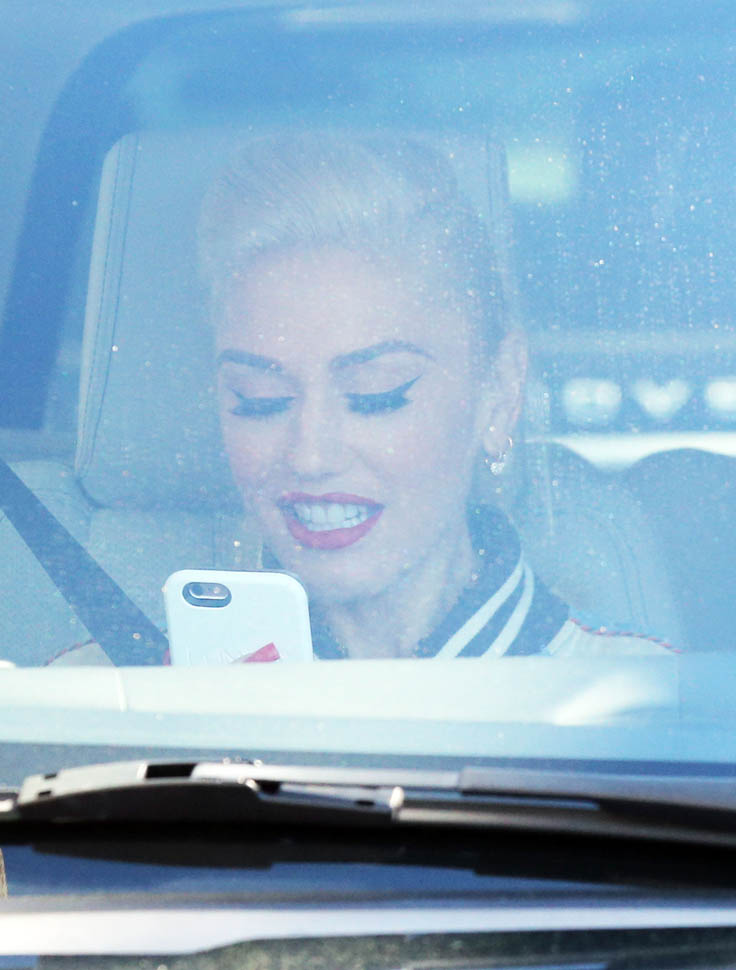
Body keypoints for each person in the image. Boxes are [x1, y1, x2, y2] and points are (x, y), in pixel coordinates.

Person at [193, 133, 675, 661]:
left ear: (499, 392)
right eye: (259, 400)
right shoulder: (142, 693)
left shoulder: (642, 696)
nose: (309, 457)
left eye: (375, 395)